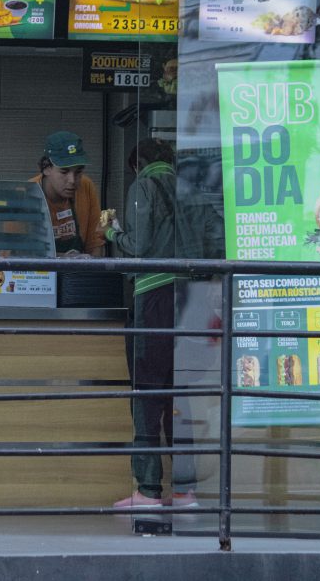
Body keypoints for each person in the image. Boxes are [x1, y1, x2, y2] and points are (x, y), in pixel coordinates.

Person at [104, 138, 197, 511]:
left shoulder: (144, 185)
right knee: (179, 395)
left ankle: (148, 490)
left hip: (154, 296)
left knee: (147, 394)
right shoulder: (188, 189)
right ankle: (187, 491)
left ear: (137, 164)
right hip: (189, 296)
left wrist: (112, 232)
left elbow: (140, 245)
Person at [30, 130, 104, 258]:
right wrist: (64, 259)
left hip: (79, 274)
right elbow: (16, 254)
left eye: (78, 172)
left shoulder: (86, 186)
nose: (72, 180)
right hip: (38, 274)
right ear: (46, 168)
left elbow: (95, 242)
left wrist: (91, 269)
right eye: (64, 172)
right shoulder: (29, 193)